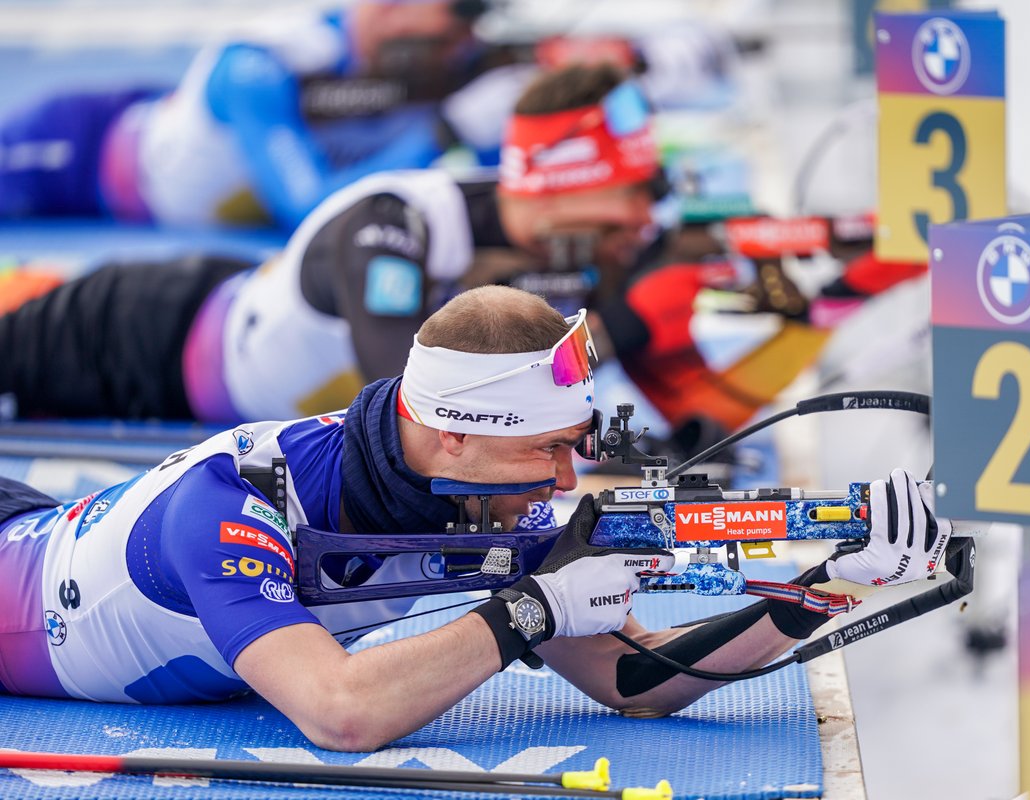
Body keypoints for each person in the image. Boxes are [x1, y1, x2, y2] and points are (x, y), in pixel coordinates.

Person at [0, 285, 953, 751]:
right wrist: (529, 612)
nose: (564, 475)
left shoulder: (493, 497)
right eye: (544, 449)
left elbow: (637, 682)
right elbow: (340, 711)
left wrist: (824, 588)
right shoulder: (230, 503)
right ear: (450, 436)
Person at [0, 62, 667, 422]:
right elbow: (417, 407)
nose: (648, 217)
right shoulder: (395, 225)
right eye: (638, 190)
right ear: (566, 189)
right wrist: (625, 327)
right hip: (141, 335)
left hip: (220, 320)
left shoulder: (590, 245)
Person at [0, 0, 515, 230]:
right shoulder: (260, 65)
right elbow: (308, 205)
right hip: (81, 154)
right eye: (449, 30)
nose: (459, 50)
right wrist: (446, 131)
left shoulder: (452, 64)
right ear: (389, 7)